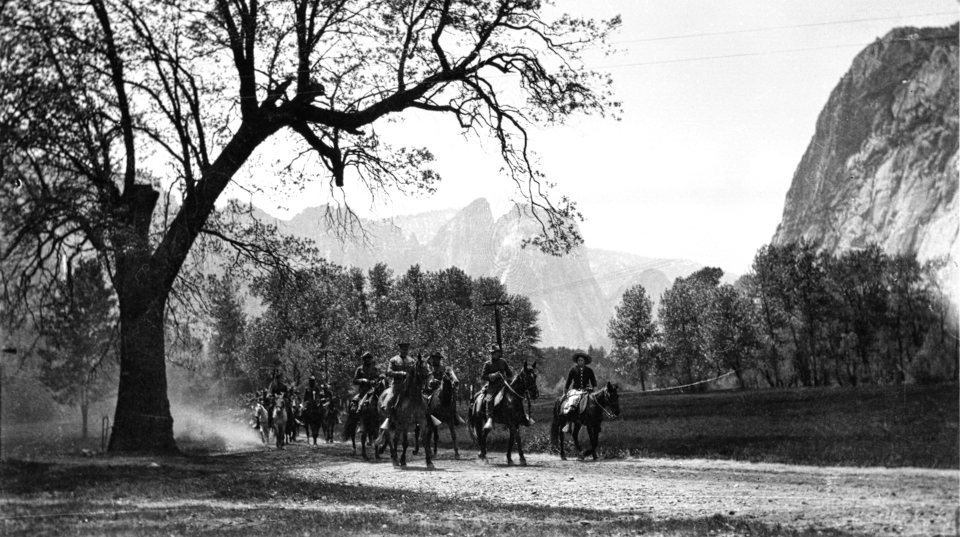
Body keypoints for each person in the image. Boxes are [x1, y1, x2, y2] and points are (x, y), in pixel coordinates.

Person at [379, 342, 417, 429]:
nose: (405, 351)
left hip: (409, 386)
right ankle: (389, 418)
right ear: (400, 349)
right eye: (403, 349)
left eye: (406, 349)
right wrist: (400, 373)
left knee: (421, 399)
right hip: (397, 385)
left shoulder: (412, 361)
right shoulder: (394, 360)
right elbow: (389, 372)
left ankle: (420, 417)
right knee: (389, 401)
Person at [479, 345, 512, 431]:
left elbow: (510, 374)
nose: (495, 354)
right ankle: (489, 418)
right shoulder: (487, 364)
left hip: (503, 385)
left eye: (496, 352)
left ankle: (520, 415)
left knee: (513, 396)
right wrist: (493, 375)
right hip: (493, 386)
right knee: (489, 399)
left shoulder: (503, 362)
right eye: (493, 353)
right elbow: (483, 376)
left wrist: (506, 378)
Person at [560, 352, 597, 416]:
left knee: (593, 403)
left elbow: (593, 381)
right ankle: (569, 414)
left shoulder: (589, 370)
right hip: (575, 390)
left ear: (584, 361)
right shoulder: (573, 370)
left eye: (581, 360)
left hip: (586, 390)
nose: (580, 361)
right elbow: (569, 381)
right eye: (579, 360)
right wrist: (565, 389)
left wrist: (595, 389)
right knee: (573, 401)